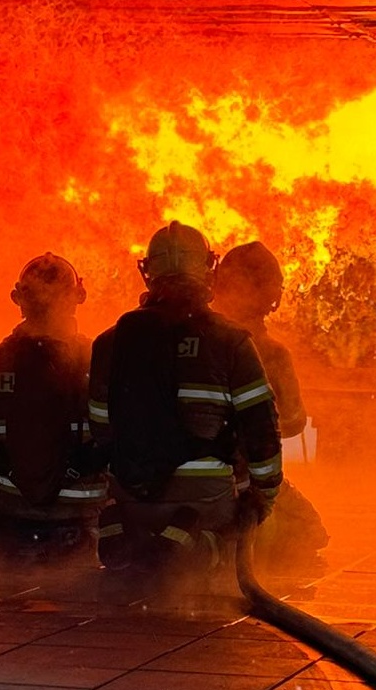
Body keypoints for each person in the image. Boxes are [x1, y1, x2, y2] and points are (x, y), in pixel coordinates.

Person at [88, 222, 284, 570]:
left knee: (138, 524)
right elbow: (262, 429)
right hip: (205, 498)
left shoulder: (109, 343)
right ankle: (201, 548)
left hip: (131, 493)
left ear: (148, 273)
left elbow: (101, 429)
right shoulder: (231, 340)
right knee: (256, 542)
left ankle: (124, 530)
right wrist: (263, 499)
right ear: (208, 270)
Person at [0, 254, 106, 553]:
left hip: (10, 510)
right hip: (81, 514)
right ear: (77, 296)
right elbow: (116, 440)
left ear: (19, 299)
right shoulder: (98, 360)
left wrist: (12, 475)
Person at [211, 241, 330, 553]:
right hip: (244, 478)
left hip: (173, 477)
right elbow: (292, 423)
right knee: (310, 533)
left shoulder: (196, 338)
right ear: (271, 295)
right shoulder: (273, 353)